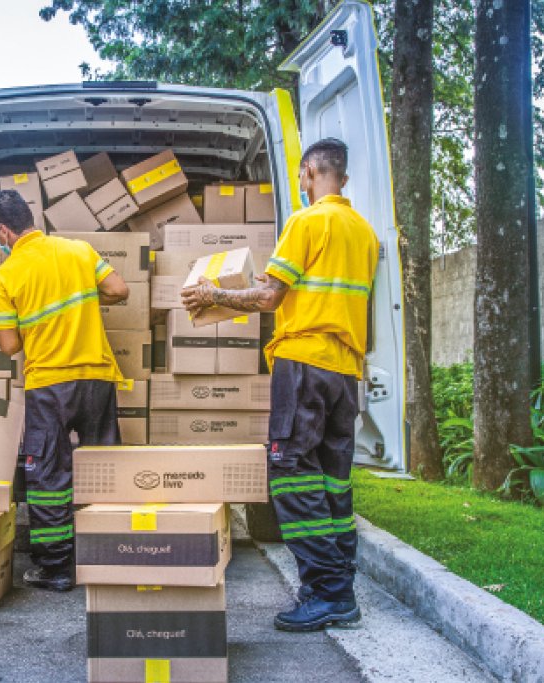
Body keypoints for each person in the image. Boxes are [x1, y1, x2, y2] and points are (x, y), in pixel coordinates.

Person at [181, 138, 379, 631]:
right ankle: (337, 585)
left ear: (309, 171)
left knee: (290, 472)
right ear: (344, 178)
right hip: (344, 370)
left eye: (301, 176)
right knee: (333, 481)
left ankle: (329, 592)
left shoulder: (307, 222)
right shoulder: (365, 233)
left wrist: (213, 293)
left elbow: (270, 297)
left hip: (305, 363)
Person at [0, 189, 129, 592]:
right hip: (97, 377)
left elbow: (10, 346)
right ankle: (115, 556)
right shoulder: (78, 250)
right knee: (104, 469)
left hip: (49, 385)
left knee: (47, 476)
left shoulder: (6, 275)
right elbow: (119, 290)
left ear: (4, 231)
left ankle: (57, 569)